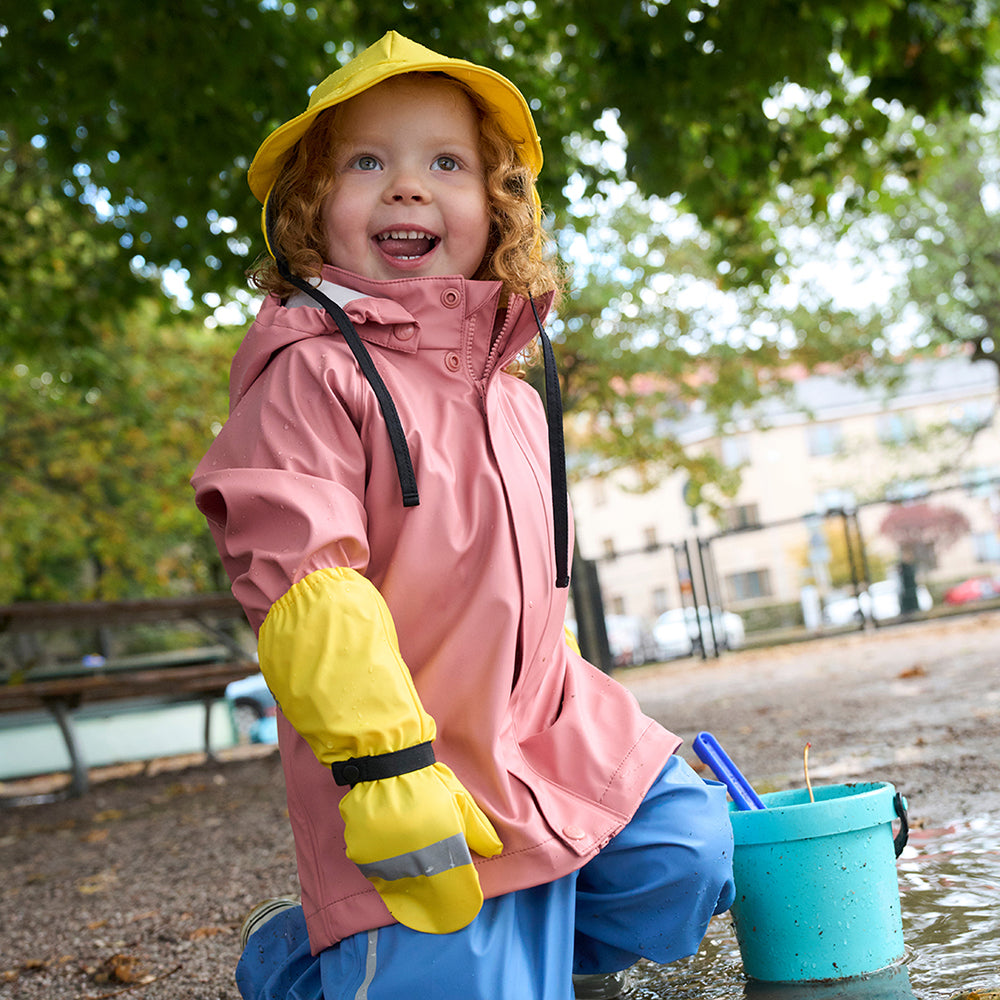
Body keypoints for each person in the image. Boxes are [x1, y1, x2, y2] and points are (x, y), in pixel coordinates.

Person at [192, 30, 735, 1000]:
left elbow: (526, 595)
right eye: (367, 162)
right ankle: (302, 967)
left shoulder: (515, 394)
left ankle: (513, 931)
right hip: (408, 752)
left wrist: (589, 715)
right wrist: (388, 766)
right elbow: (309, 583)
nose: (407, 187)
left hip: (545, 729)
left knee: (685, 857)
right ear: (311, 210)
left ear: (497, 208)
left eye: (445, 162)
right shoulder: (307, 373)